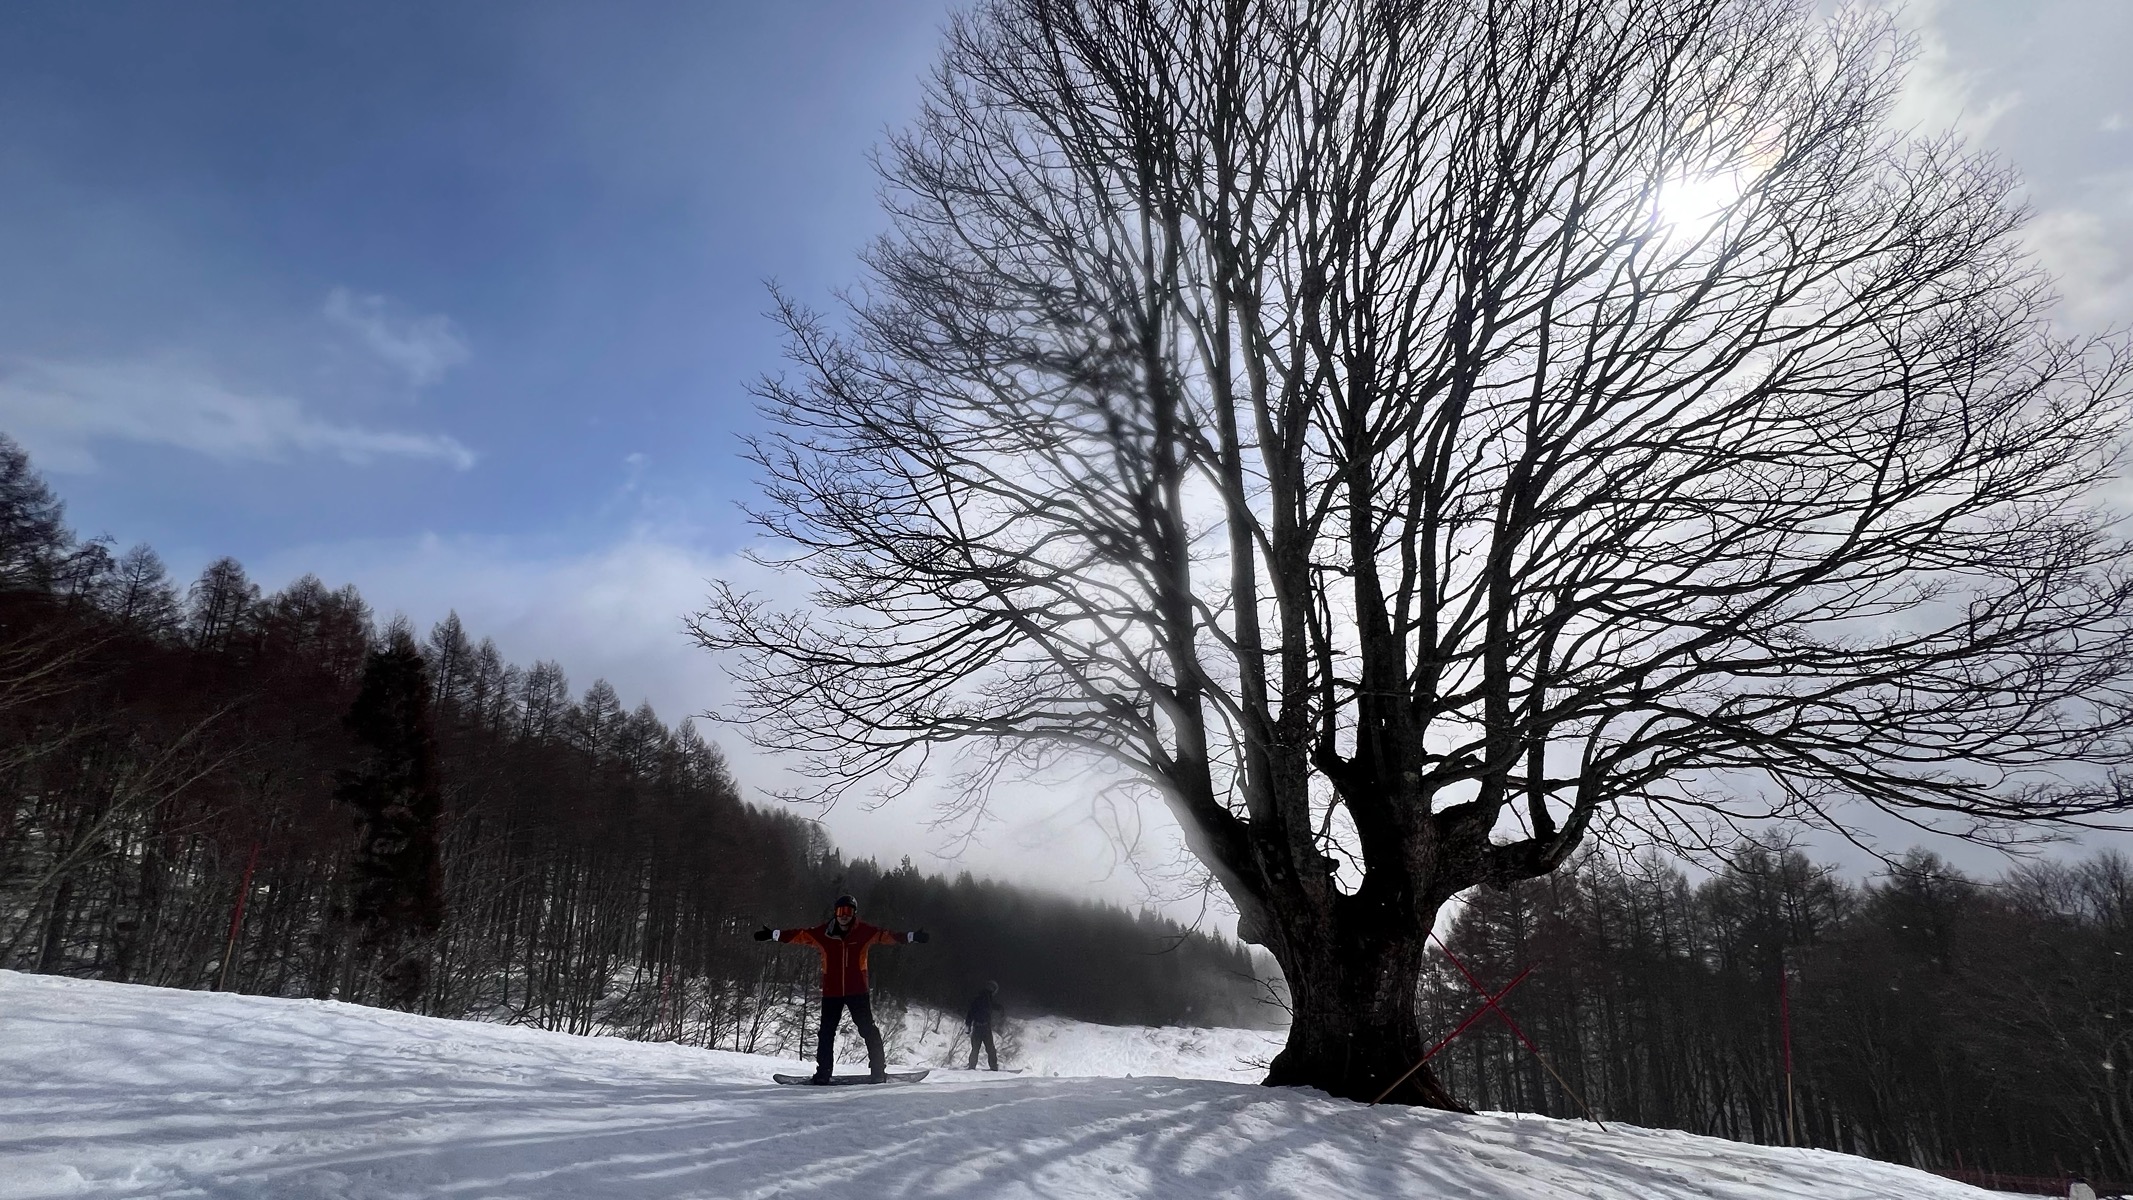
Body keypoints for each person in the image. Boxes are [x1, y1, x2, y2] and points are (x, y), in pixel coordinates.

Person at [755, 894, 928, 1083]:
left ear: (854, 914)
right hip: (832, 992)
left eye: (848, 911)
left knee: (868, 1029)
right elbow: (800, 935)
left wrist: (911, 937)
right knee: (826, 1032)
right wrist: (773, 934)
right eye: (840, 911)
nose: (844, 915)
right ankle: (823, 1074)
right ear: (835, 913)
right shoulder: (824, 934)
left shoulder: (864, 932)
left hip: (857, 991)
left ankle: (878, 1071)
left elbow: (888, 936)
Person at [965, 980, 1004, 1071]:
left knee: (975, 1049)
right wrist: (1000, 1009)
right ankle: (993, 1067)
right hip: (985, 1027)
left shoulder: (981, 998)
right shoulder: (986, 998)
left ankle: (972, 1067)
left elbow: (970, 1013)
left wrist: (968, 1026)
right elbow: (973, 1011)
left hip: (977, 1027)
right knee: (990, 1049)